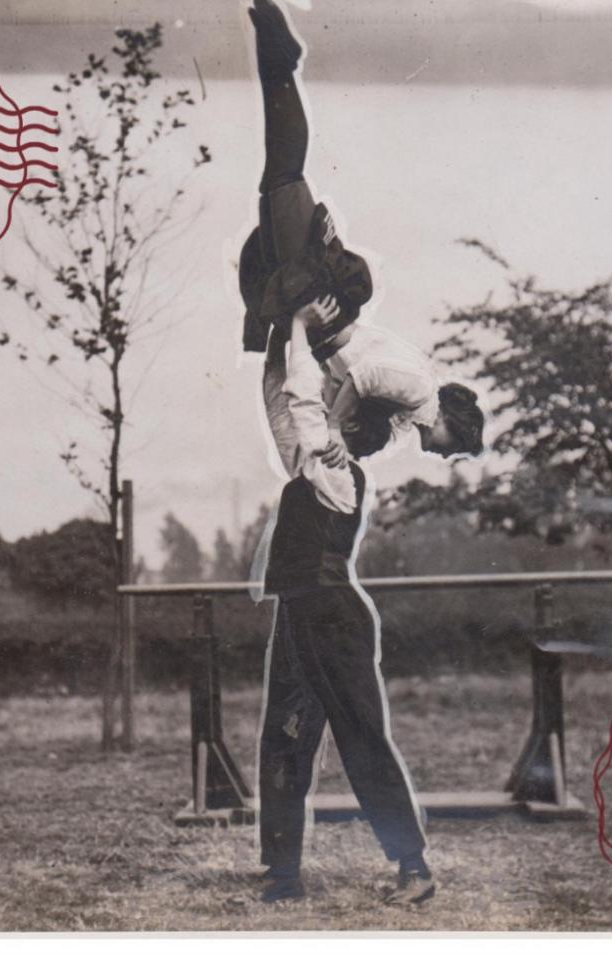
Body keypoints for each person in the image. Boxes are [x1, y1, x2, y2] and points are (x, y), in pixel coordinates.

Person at [238, 0, 484, 461]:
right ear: (453, 423)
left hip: (322, 318)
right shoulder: (421, 395)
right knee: (284, 175)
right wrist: (331, 426)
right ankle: (282, 59)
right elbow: (363, 377)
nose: (445, 456)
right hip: (323, 307)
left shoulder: (413, 404)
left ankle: (277, 55)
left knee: (279, 176)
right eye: (455, 449)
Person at [252, 296, 434, 907]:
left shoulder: (333, 470)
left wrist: (302, 326)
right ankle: (282, 876)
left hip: (331, 614)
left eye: (338, 410)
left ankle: (414, 868)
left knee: (360, 735)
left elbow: (302, 403)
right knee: (284, 736)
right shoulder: (311, 460)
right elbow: (282, 400)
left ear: (349, 429)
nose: (329, 403)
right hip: (303, 613)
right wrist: (281, 335)